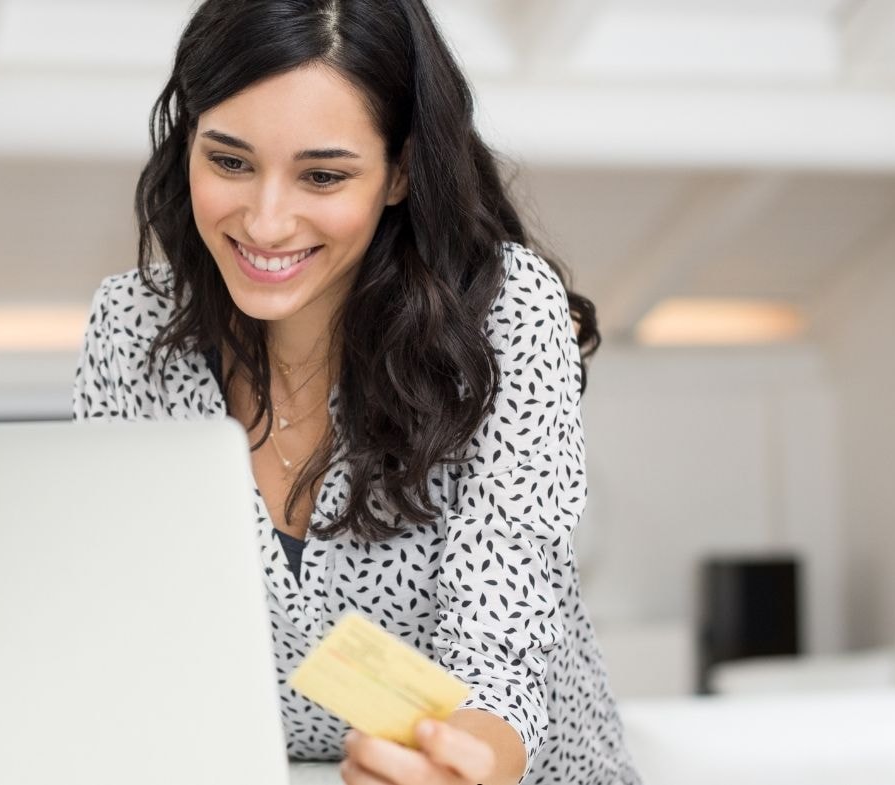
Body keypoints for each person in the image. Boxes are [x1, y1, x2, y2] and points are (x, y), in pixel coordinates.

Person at [72, 1, 641, 783]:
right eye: (230, 161)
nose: (266, 222)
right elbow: (128, 623)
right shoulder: (133, 328)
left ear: (400, 170)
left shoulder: (505, 316)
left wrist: (461, 765)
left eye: (324, 175)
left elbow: (501, 652)